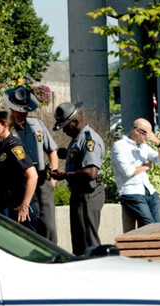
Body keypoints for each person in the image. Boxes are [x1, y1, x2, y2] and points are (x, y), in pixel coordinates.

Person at [0, 85, 59, 242]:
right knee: (24, 228)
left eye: (26, 110)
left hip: (40, 180)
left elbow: (52, 151)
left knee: (48, 227)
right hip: (18, 187)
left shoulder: (37, 125)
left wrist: (52, 181)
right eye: (19, 110)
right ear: (11, 109)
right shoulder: (3, 131)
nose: (23, 113)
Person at [50, 102, 105, 255]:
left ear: (75, 121)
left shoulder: (89, 139)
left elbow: (91, 172)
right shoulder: (77, 138)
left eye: (66, 127)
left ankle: (96, 271)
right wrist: (64, 154)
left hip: (89, 194)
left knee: (89, 241)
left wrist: (65, 175)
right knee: (79, 242)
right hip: (79, 194)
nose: (64, 131)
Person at [111, 118, 160, 227]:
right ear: (137, 131)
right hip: (131, 192)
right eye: (147, 133)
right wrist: (145, 167)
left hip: (149, 191)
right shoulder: (120, 146)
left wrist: (158, 143)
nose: (149, 137)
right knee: (149, 226)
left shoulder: (144, 147)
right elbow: (127, 171)